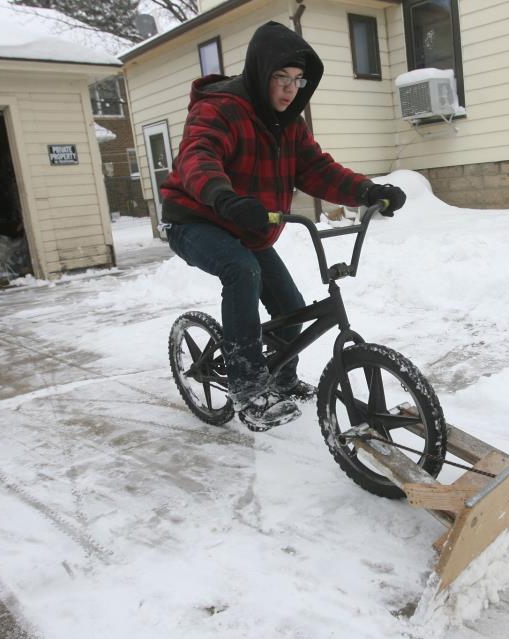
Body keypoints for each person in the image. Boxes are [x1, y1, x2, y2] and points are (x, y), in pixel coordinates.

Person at [161, 21, 406, 432]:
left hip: (248, 225)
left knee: (293, 313)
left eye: (297, 80)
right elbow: (198, 158)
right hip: (195, 217)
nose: (290, 89)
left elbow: (318, 170)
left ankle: (283, 378)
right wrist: (226, 198)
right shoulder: (219, 108)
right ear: (260, 73)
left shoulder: (290, 123)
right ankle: (248, 385)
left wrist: (367, 191)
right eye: (280, 78)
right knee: (242, 270)